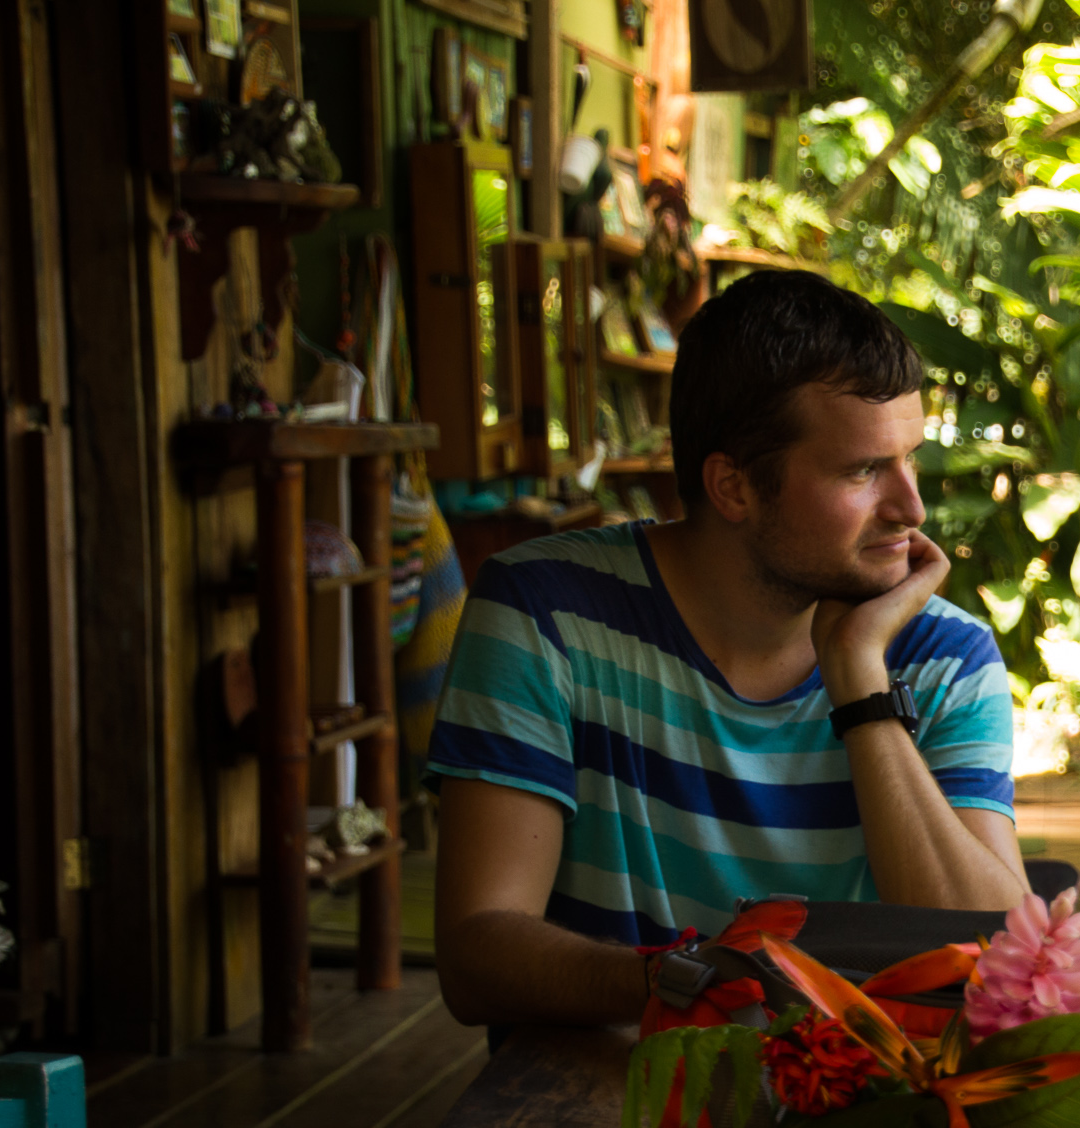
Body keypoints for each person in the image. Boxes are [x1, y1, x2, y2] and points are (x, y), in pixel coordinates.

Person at [429, 270, 1028, 1028]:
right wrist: (687, 983)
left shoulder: (945, 655)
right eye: (863, 469)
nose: (911, 507)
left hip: (848, 1112)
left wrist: (861, 686)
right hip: (598, 1101)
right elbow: (476, 957)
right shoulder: (544, 613)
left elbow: (991, 960)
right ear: (733, 487)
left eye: (910, 459)